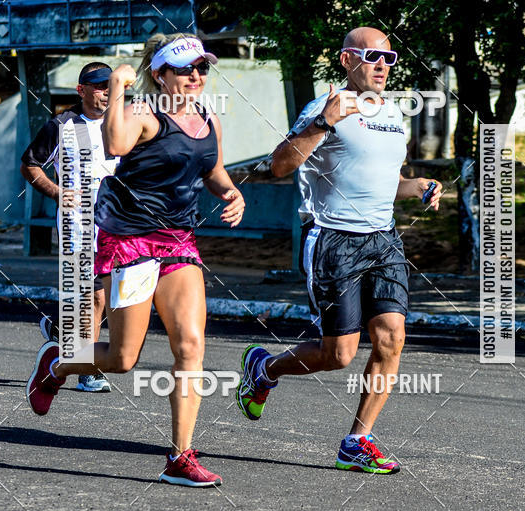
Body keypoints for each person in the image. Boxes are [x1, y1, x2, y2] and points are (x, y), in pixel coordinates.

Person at [26, 33, 246, 487]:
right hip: (129, 241)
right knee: (123, 358)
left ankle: (179, 456)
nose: (197, 77)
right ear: (161, 74)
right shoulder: (141, 113)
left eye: (202, 68)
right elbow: (115, 146)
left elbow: (212, 168)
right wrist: (122, 87)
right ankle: (59, 364)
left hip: (177, 242)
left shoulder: (207, 119)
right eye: (186, 69)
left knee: (190, 345)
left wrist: (230, 190)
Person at [236, 26, 442, 475]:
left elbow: (388, 184)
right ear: (347, 60)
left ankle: (356, 441)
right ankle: (265, 369)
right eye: (372, 56)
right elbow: (279, 165)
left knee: (391, 337)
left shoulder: (391, 114)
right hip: (333, 240)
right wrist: (325, 121)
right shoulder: (324, 107)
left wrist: (420, 187)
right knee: (339, 354)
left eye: (389, 58)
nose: (383, 66)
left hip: (383, 241)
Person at [20, 62, 119, 393]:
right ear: (82, 90)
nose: (107, 90)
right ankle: (87, 370)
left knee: (102, 299)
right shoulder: (63, 125)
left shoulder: (123, 126)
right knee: (93, 297)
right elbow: (30, 164)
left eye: (112, 84)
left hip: (116, 226)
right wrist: (59, 193)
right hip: (78, 227)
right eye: (100, 85)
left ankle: (63, 336)